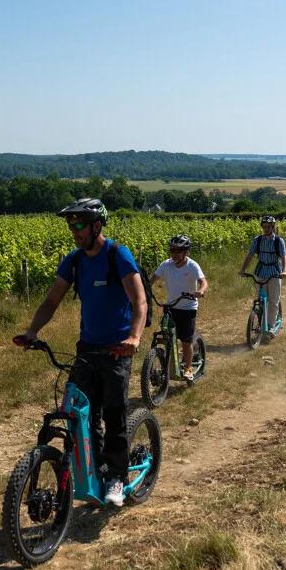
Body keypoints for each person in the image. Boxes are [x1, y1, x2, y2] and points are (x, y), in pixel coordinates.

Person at [16, 198, 147, 508]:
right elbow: (51, 302)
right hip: (87, 347)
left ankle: (117, 476)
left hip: (118, 346)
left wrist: (134, 337)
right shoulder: (74, 261)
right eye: (70, 224)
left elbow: (139, 301)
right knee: (82, 414)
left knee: (114, 413)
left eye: (78, 224)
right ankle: (95, 472)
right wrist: (32, 332)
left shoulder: (118, 255)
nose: (73, 230)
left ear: (96, 225)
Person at [149, 234, 207, 382]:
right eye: (172, 250)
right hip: (171, 307)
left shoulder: (192, 265)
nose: (174, 254)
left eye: (178, 251)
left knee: (186, 341)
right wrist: (145, 287)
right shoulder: (166, 265)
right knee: (167, 337)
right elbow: (154, 278)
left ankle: (188, 368)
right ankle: (168, 364)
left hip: (188, 307)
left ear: (185, 252)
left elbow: (203, 281)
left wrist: (200, 291)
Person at [239, 215, 286, 338]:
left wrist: (284, 271)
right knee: (261, 301)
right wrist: (243, 269)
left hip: (275, 273)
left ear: (273, 227)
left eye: (268, 227)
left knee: (272, 301)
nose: (266, 229)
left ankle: (271, 326)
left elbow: (284, 257)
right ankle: (261, 324)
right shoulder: (257, 240)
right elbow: (250, 255)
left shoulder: (278, 241)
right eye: (264, 227)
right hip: (260, 272)